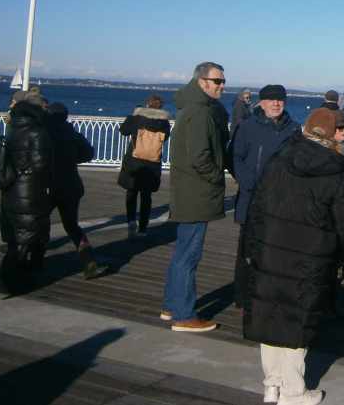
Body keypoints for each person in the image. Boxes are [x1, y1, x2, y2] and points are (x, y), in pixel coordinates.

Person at [242, 108, 344, 405]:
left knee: (269, 316)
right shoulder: (335, 171)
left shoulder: (278, 159)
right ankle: (293, 392)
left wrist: (251, 248)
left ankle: (272, 385)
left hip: (270, 249)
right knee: (297, 322)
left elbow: (256, 208)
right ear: (331, 134)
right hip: (311, 257)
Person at [162, 62, 229, 333]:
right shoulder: (200, 112)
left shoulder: (191, 108)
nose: (222, 86)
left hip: (188, 189)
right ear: (202, 82)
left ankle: (171, 305)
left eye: (223, 81)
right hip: (196, 192)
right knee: (189, 255)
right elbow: (200, 156)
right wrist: (216, 176)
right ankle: (184, 315)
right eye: (217, 81)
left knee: (182, 251)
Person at [230, 84, 300, 308]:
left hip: (281, 200)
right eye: (271, 99)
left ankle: (268, 296)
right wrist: (248, 181)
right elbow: (234, 157)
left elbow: (298, 161)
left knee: (275, 251)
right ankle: (243, 297)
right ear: (261, 102)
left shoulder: (294, 129)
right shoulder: (248, 126)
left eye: (280, 99)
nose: (276, 103)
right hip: (252, 198)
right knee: (247, 251)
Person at [0, 92, 54, 294]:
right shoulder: (37, 132)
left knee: (17, 236)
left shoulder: (13, 130)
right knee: (26, 236)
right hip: (30, 189)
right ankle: (9, 280)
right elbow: (40, 164)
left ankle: (11, 278)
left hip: (11, 189)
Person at [45, 102, 102, 279]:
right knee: (71, 225)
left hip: (48, 185)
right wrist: (72, 159)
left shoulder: (44, 134)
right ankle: (88, 259)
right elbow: (88, 153)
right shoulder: (73, 134)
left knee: (40, 222)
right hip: (71, 185)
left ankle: (35, 260)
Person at [117, 94, 171, 239]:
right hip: (152, 162)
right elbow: (165, 138)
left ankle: (131, 221)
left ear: (147, 104)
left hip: (134, 161)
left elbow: (123, 131)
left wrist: (133, 115)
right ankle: (143, 228)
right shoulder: (164, 122)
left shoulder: (137, 118)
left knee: (131, 192)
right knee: (146, 196)